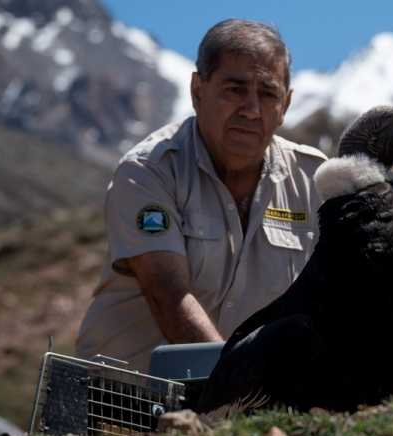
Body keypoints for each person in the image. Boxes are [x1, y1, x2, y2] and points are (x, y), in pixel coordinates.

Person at [75, 19, 327, 372]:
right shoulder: (149, 171)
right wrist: (241, 386)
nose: (252, 109)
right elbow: (169, 297)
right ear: (197, 91)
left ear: (285, 105)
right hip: (122, 402)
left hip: (242, 410)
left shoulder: (316, 182)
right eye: (235, 89)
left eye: (268, 94)